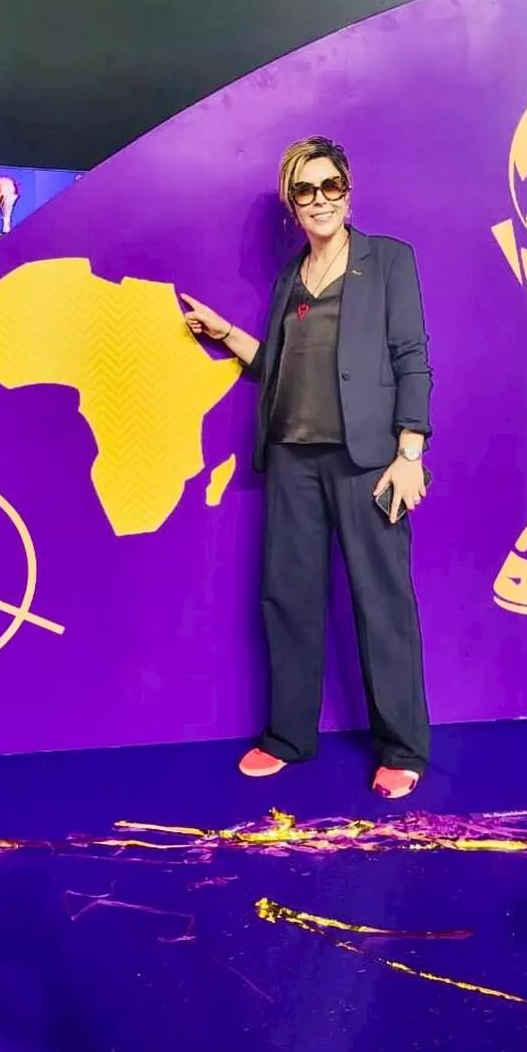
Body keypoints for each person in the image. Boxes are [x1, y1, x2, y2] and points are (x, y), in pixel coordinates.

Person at [181, 136, 432, 799]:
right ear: (291, 204)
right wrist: (227, 336)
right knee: (287, 599)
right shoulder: (289, 278)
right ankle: (289, 737)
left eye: (330, 186)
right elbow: (279, 366)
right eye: (305, 190)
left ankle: (402, 747)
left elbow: (411, 357)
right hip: (292, 458)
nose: (319, 199)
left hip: (366, 461)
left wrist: (410, 452)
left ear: (348, 191)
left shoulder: (389, 261)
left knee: (382, 602)